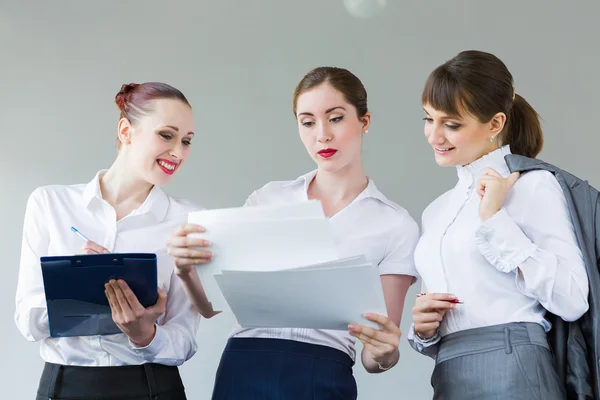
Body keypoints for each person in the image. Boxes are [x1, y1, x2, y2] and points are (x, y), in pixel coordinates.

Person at [167, 66, 420, 399]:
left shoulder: (395, 225)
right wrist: (184, 270)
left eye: (336, 118)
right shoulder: (268, 199)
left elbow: (376, 352)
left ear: (365, 122)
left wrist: (386, 353)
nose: (322, 135)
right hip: (244, 363)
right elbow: (210, 306)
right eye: (308, 121)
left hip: (322, 371)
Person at [409, 50, 590, 399]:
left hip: (512, 367)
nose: (434, 136)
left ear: (495, 124)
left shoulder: (532, 186)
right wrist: (424, 329)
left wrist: (495, 219)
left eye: (452, 124)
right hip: (448, 372)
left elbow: (572, 298)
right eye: (428, 119)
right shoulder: (436, 212)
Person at [15, 82, 205, 400]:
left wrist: (146, 335)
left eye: (186, 141)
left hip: (152, 387)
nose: (179, 153)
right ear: (126, 131)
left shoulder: (191, 220)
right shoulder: (50, 204)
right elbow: (28, 321)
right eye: (166, 135)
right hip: (65, 387)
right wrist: (79, 287)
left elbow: (184, 340)